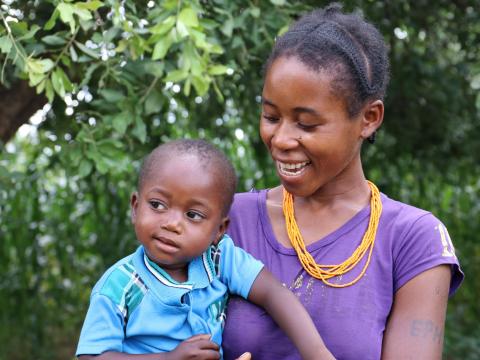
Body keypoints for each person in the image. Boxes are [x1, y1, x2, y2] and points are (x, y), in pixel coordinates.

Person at [222, 3, 464, 360]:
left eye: (306, 124)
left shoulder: (413, 241)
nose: (281, 139)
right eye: (271, 116)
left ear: (369, 118)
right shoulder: (228, 220)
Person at [76, 139, 333, 360]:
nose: (172, 223)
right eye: (157, 205)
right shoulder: (119, 285)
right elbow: (91, 356)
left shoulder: (219, 259)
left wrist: (318, 354)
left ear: (219, 230)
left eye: (193, 215)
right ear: (135, 207)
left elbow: (274, 294)